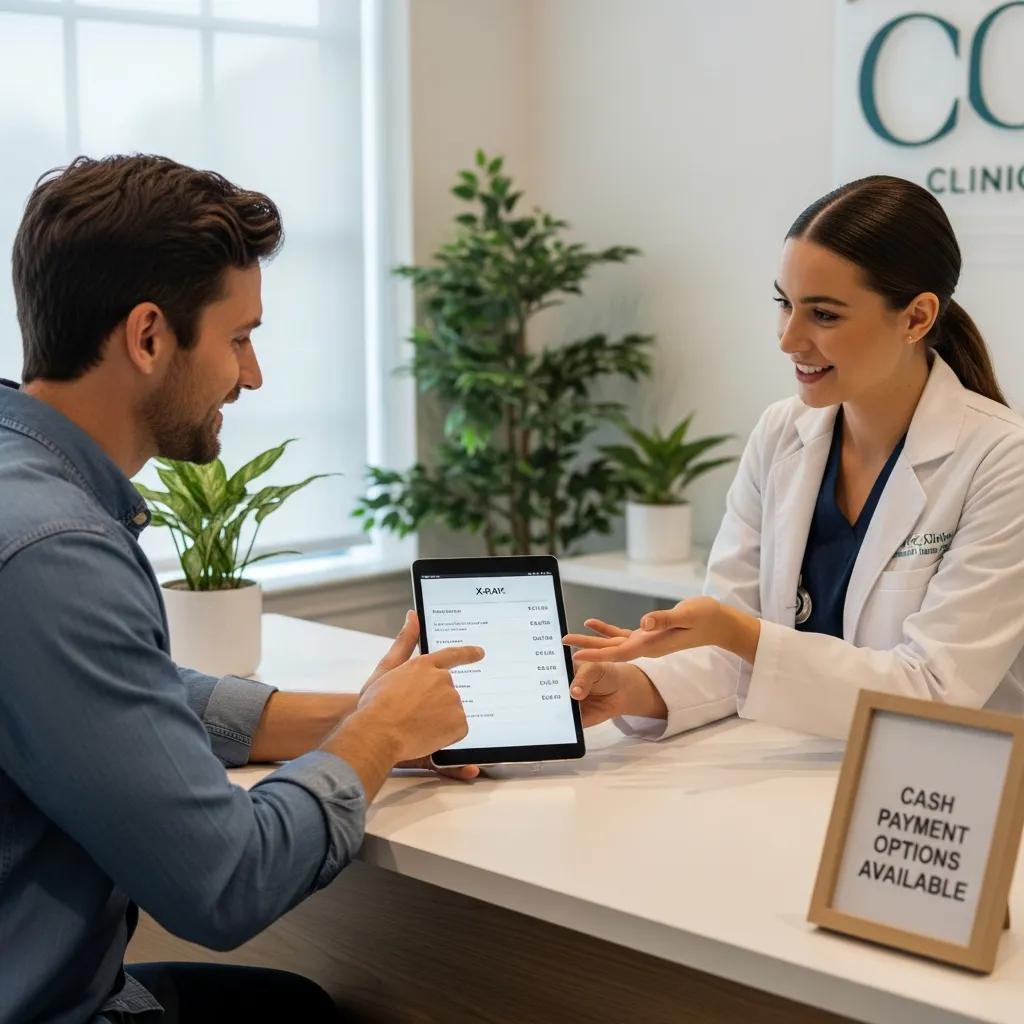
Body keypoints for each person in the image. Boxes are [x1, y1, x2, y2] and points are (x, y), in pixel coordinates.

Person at [0, 155, 483, 1024]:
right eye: (239, 337)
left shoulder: (20, 488)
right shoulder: (57, 549)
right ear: (148, 337)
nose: (252, 377)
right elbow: (226, 881)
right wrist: (374, 737)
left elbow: (105, 693)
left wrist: (352, 717)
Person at [565, 175, 1024, 741]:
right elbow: (727, 656)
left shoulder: (1005, 462)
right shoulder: (783, 432)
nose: (788, 338)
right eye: (784, 304)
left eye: (824, 315)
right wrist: (633, 687)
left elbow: (933, 690)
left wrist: (739, 632)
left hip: (941, 795)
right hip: (797, 775)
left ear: (916, 318)